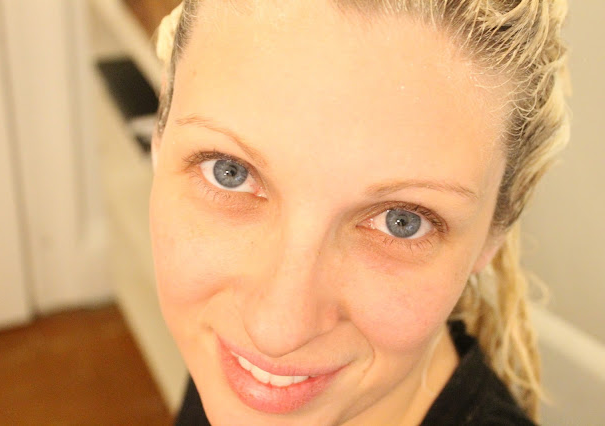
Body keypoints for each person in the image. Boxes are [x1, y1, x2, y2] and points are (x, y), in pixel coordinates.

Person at [148, 1, 569, 424]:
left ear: (497, 227)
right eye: (229, 172)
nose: (276, 333)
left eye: (401, 222)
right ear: (161, 129)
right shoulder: (236, 364)